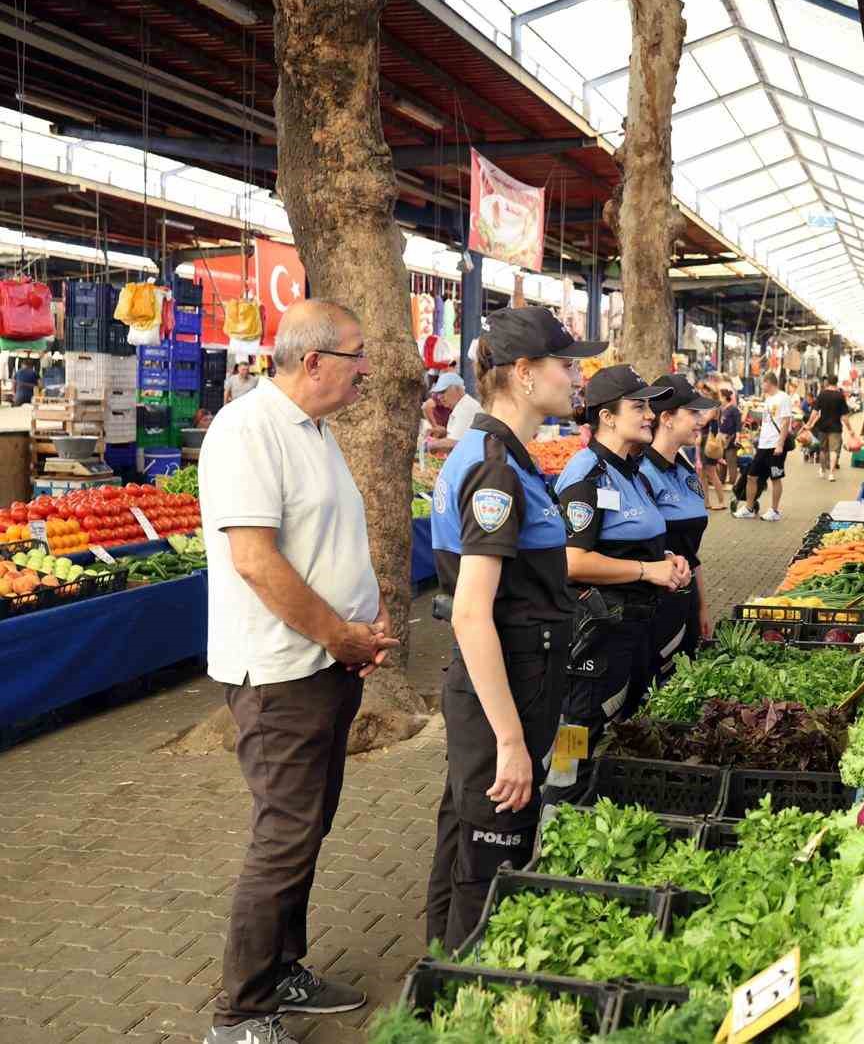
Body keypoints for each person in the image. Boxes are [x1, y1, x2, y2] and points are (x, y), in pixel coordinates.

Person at [199, 301, 399, 1044]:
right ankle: (241, 1014)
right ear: (312, 361)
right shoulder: (247, 432)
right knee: (283, 838)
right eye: (356, 358)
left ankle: (283, 969)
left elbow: (321, 545)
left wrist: (358, 632)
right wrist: (339, 636)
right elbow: (256, 562)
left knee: (307, 827)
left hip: (326, 666)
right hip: (282, 672)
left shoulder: (315, 431)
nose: (367, 372)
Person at [424, 307, 604, 951]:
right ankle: (465, 989)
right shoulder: (495, 465)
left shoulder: (501, 454)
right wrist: (509, 741)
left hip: (509, 677)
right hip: (507, 686)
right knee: (491, 860)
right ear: (524, 375)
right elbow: (473, 611)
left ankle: (438, 977)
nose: (578, 374)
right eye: (567, 363)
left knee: (463, 837)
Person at [549, 366, 691, 803]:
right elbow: (573, 561)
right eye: (639, 406)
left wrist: (663, 559)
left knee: (616, 726)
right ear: (606, 417)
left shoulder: (632, 471)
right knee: (577, 729)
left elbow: (627, 539)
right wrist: (648, 572)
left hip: (629, 631)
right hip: (595, 637)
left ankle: (593, 806)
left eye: (650, 406)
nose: (650, 414)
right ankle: (559, 812)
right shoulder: (585, 475)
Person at [640, 375, 717, 685]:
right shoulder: (642, 473)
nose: (700, 421)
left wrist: (702, 606)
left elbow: (691, 551)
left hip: (684, 599)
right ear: (667, 418)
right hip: (653, 607)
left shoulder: (683, 467)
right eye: (692, 413)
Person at [732, 372, 792, 522]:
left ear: (769, 382)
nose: (761, 386)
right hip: (763, 445)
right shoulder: (768, 399)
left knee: (775, 477)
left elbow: (786, 422)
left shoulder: (783, 398)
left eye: (763, 383)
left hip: (775, 445)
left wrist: (780, 444)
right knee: (752, 476)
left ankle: (775, 510)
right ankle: (749, 508)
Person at [424, 372, 485, 457]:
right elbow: (462, 438)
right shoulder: (461, 405)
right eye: (438, 393)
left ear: (457, 389)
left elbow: (454, 444)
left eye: (443, 391)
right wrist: (443, 432)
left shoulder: (465, 408)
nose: (439, 397)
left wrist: (431, 445)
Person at [806, 377, 849, 482]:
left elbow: (815, 411)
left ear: (828, 382)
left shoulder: (822, 394)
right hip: (836, 427)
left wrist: (809, 423)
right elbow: (844, 416)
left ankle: (822, 469)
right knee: (833, 450)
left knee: (822, 449)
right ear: (836, 382)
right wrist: (850, 429)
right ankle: (831, 474)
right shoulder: (840, 396)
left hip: (823, 426)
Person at [696, 381, 728, 510]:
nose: (703, 393)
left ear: (712, 393)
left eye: (706, 391)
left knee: (711, 473)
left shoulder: (713, 407)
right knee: (702, 474)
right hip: (705, 440)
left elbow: (703, 422)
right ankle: (706, 502)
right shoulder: (710, 405)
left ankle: (721, 501)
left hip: (710, 442)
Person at [717, 387, 743, 489]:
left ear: (724, 397)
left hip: (730, 437)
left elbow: (738, 424)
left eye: (720, 397)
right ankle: (721, 479)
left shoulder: (733, 409)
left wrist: (737, 436)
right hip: (722, 438)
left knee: (731, 459)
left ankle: (732, 481)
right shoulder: (722, 409)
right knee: (721, 459)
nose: (719, 399)